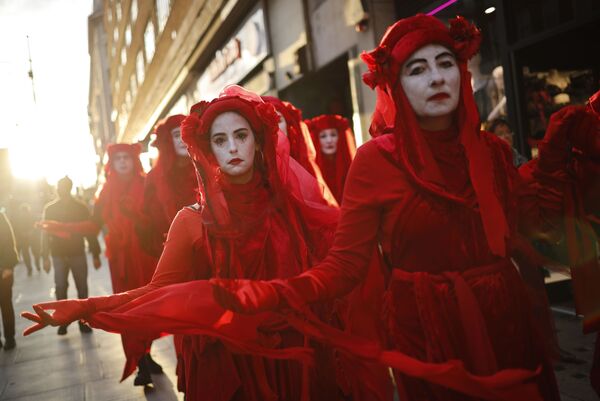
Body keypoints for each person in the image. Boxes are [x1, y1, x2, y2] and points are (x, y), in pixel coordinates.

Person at [206, 15, 599, 400]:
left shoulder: (492, 152)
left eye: (446, 64)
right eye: (417, 69)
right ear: (396, 85)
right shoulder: (376, 160)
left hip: (506, 321)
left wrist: (556, 161)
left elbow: (532, 234)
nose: (435, 78)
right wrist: (276, 293)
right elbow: (345, 265)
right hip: (426, 330)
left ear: (461, 73)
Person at [24, 87, 344, 401]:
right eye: (220, 140)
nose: (232, 147)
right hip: (227, 365)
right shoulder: (191, 220)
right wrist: (88, 307)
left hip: (291, 358)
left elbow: (329, 273)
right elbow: (156, 292)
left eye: (241, 136)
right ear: (208, 150)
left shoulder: (290, 209)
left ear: (258, 141)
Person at [39, 145, 162, 386]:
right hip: (121, 261)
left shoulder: (147, 184)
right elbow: (93, 225)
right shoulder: (106, 191)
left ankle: (146, 354)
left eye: (128, 157)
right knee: (126, 308)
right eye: (119, 159)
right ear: (112, 163)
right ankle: (139, 363)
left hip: (146, 256)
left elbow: (157, 220)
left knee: (149, 308)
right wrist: (62, 228)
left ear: (135, 160)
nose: (124, 162)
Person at [41, 176, 101, 335]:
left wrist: (95, 253)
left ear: (69, 188)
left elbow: (89, 231)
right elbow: (45, 234)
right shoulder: (50, 209)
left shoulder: (80, 208)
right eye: (61, 188)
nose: (63, 191)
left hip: (77, 253)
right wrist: (45, 257)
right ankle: (63, 321)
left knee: (82, 289)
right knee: (61, 288)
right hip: (58, 255)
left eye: (65, 188)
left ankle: (84, 321)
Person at [138, 114, 197, 257]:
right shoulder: (154, 177)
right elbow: (150, 219)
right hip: (173, 252)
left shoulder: (205, 168)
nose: (183, 139)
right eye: (177, 135)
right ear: (167, 140)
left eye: (186, 132)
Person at [305, 114, 356, 204]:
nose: (329, 140)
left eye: (333, 135)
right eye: (323, 136)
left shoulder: (352, 167)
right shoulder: (310, 170)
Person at [0, 211, 18, 350]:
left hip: (2, 270)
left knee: (5, 304)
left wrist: (8, 266)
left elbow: (8, 241)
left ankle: (10, 337)